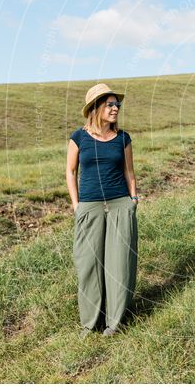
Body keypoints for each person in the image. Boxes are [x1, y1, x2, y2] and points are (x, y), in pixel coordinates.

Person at [66, 83, 139, 338]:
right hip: (89, 206)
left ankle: (115, 322)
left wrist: (133, 199)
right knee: (88, 264)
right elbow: (70, 171)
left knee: (119, 264)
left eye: (117, 104)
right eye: (110, 104)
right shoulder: (79, 137)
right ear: (96, 108)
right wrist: (76, 205)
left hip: (120, 204)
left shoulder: (123, 138)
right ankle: (90, 322)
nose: (115, 108)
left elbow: (129, 171)